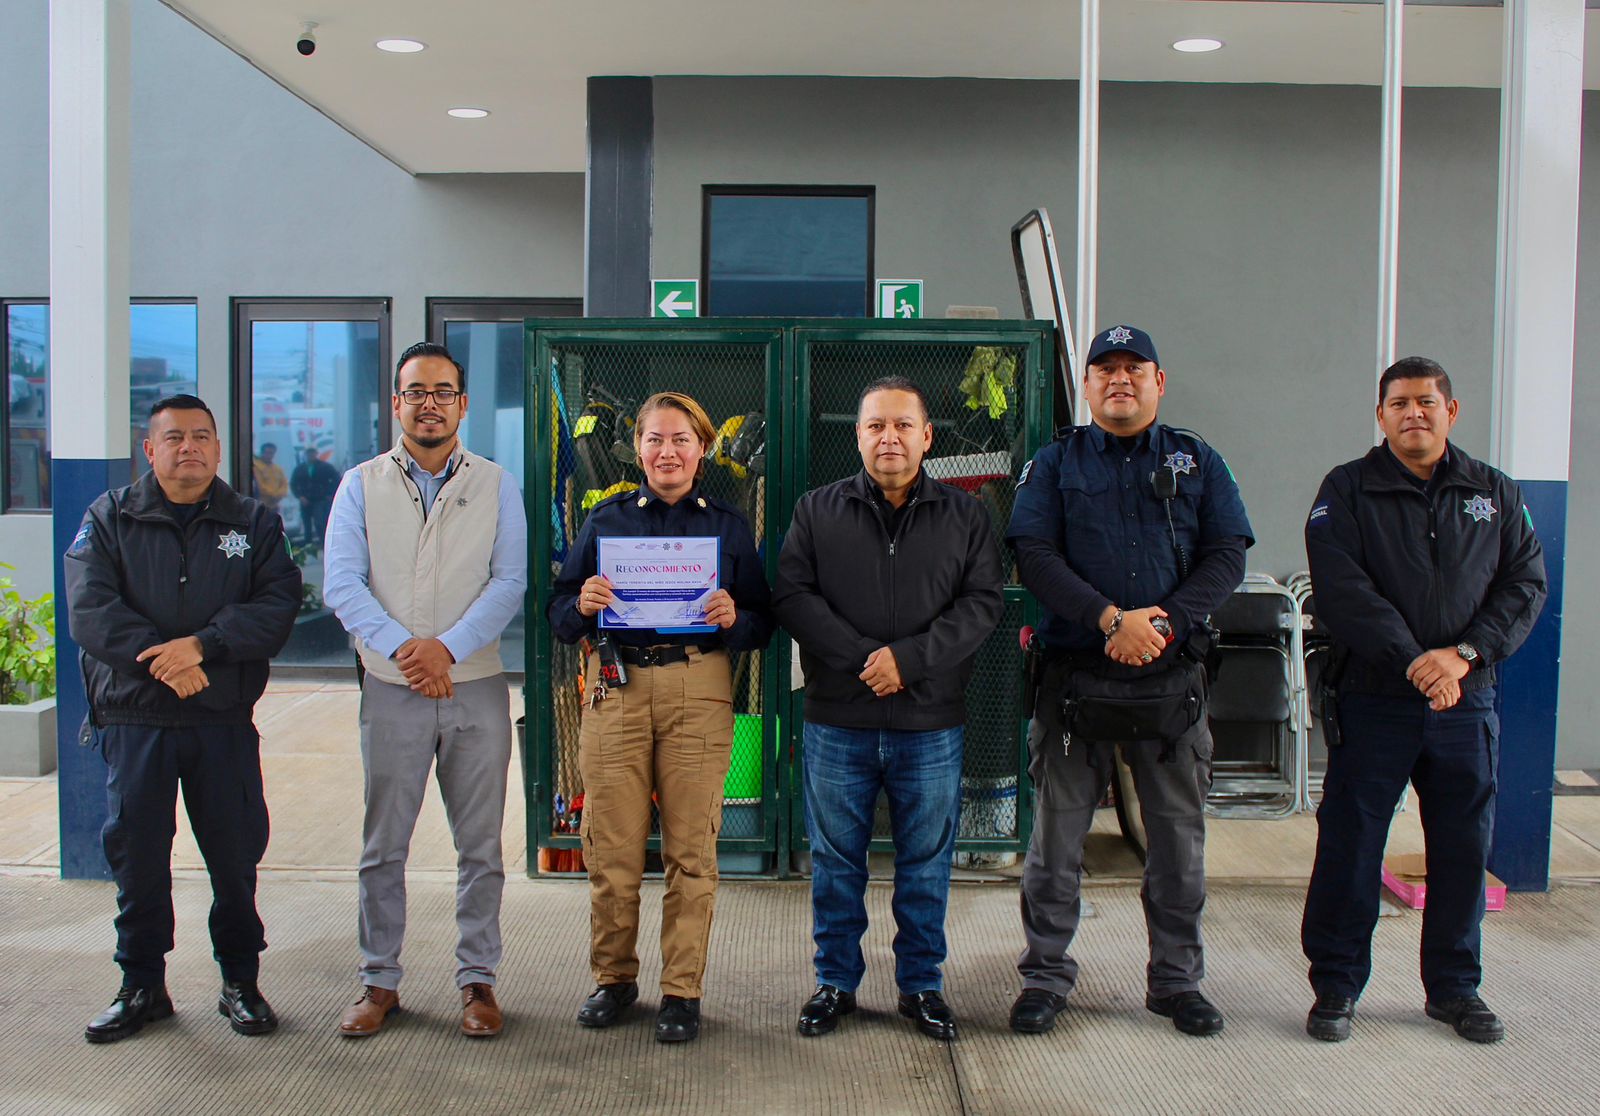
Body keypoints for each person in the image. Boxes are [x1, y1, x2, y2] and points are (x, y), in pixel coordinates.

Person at [1005, 324, 1253, 1037]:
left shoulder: (1198, 461)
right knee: (1055, 847)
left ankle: (1177, 983)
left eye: (1133, 368)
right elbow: (1032, 553)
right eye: (1104, 369)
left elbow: (1227, 553)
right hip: (1073, 684)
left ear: (1159, 382)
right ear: (1085, 386)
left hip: (1171, 685)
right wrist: (1111, 619)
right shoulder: (1054, 464)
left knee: (1177, 846)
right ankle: (1046, 979)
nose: (1119, 379)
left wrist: (1165, 623)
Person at [1301, 356, 1546, 1045]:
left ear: (1451, 411)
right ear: (1380, 415)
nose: (1414, 412)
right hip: (1375, 698)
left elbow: (1524, 585)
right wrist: (1416, 661)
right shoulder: (1346, 491)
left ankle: (1455, 990)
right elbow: (1344, 592)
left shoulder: (1493, 492)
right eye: (1399, 402)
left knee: (1464, 847)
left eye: (1427, 401)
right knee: (1351, 846)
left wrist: (1463, 656)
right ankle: (1337, 987)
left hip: (1465, 704)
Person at [64, 395, 301, 1044]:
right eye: (174, 437)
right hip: (136, 720)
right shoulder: (108, 519)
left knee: (234, 856)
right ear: (151, 448)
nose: (188, 447)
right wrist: (166, 663)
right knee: (137, 859)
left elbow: (277, 607)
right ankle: (140, 985)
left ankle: (240, 981)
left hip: (221, 719)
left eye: (201, 437)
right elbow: (90, 612)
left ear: (219, 449)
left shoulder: (254, 522)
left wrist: (203, 647)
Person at [773, 376, 1003, 1042]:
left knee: (926, 865)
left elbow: (983, 604)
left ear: (927, 437)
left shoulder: (965, 517)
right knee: (835, 863)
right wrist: (863, 658)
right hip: (837, 722)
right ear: (858, 437)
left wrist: (911, 660)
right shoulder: (817, 510)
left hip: (930, 726)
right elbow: (793, 596)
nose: (889, 438)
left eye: (903, 425)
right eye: (876, 426)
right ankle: (835, 982)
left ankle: (922, 986)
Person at [548, 391, 774, 1044]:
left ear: (701, 448)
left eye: (681, 439)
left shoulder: (729, 527)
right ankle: (613, 979)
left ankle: (682, 991)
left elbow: (762, 622)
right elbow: (559, 614)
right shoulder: (605, 520)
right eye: (655, 439)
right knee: (611, 848)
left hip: (697, 686)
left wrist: (737, 618)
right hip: (616, 686)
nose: (668, 451)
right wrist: (584, 604)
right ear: (639, 446)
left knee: (691, 850)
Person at [322, 342, 528, 1040]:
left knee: (481, 849)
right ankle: (379, 981)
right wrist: (408, 653)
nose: (429, 403)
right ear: (397, 403)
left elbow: (510, 582)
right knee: (383, 845)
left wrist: (448, 648)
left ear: (463, 404)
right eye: (416, 392)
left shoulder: (497, 483)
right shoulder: (359, 485)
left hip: (475, 689)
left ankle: (478, 981)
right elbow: (343, 583)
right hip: (392, 688)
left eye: (443, 391)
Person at [290, 446, 340, 546]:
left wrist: (330, 494)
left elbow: (337, 479)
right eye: (309, 453)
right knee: (306, 524)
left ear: (316, 454)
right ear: (306, 454)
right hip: (305, 500)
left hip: (320, 499)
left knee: (320, 523)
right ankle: (308, 545)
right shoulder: (300, 469)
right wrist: (300, 496)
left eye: (313, 453)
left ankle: (324, 544)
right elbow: (293, 484)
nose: (311, 455)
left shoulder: (325, 466)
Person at [251, 442, 288, 514]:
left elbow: (284, 484)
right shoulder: (256, 467)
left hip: (274, 505)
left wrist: (279, 495)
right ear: (262, 452)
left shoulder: (278, 469)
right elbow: (259, 485)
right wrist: (273, 495)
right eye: (267, 453)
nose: (269, 455)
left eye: (272, 453)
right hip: (261, 505)